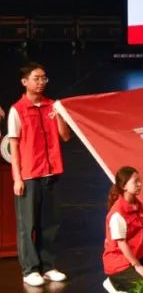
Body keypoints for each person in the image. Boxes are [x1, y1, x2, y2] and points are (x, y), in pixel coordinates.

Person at [9, 62, 71, 288]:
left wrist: (60, 115)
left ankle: (48, 266)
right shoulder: (17, 110)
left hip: (51, 171)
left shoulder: (52, 106)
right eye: (36, 78)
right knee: (28, 225)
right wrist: (17, 178)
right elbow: (13, 146)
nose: (41, 82)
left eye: (44, 78)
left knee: (50, 224)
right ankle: (30, 269)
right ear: (24, 81)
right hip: (29, 174)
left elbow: (66, 137)